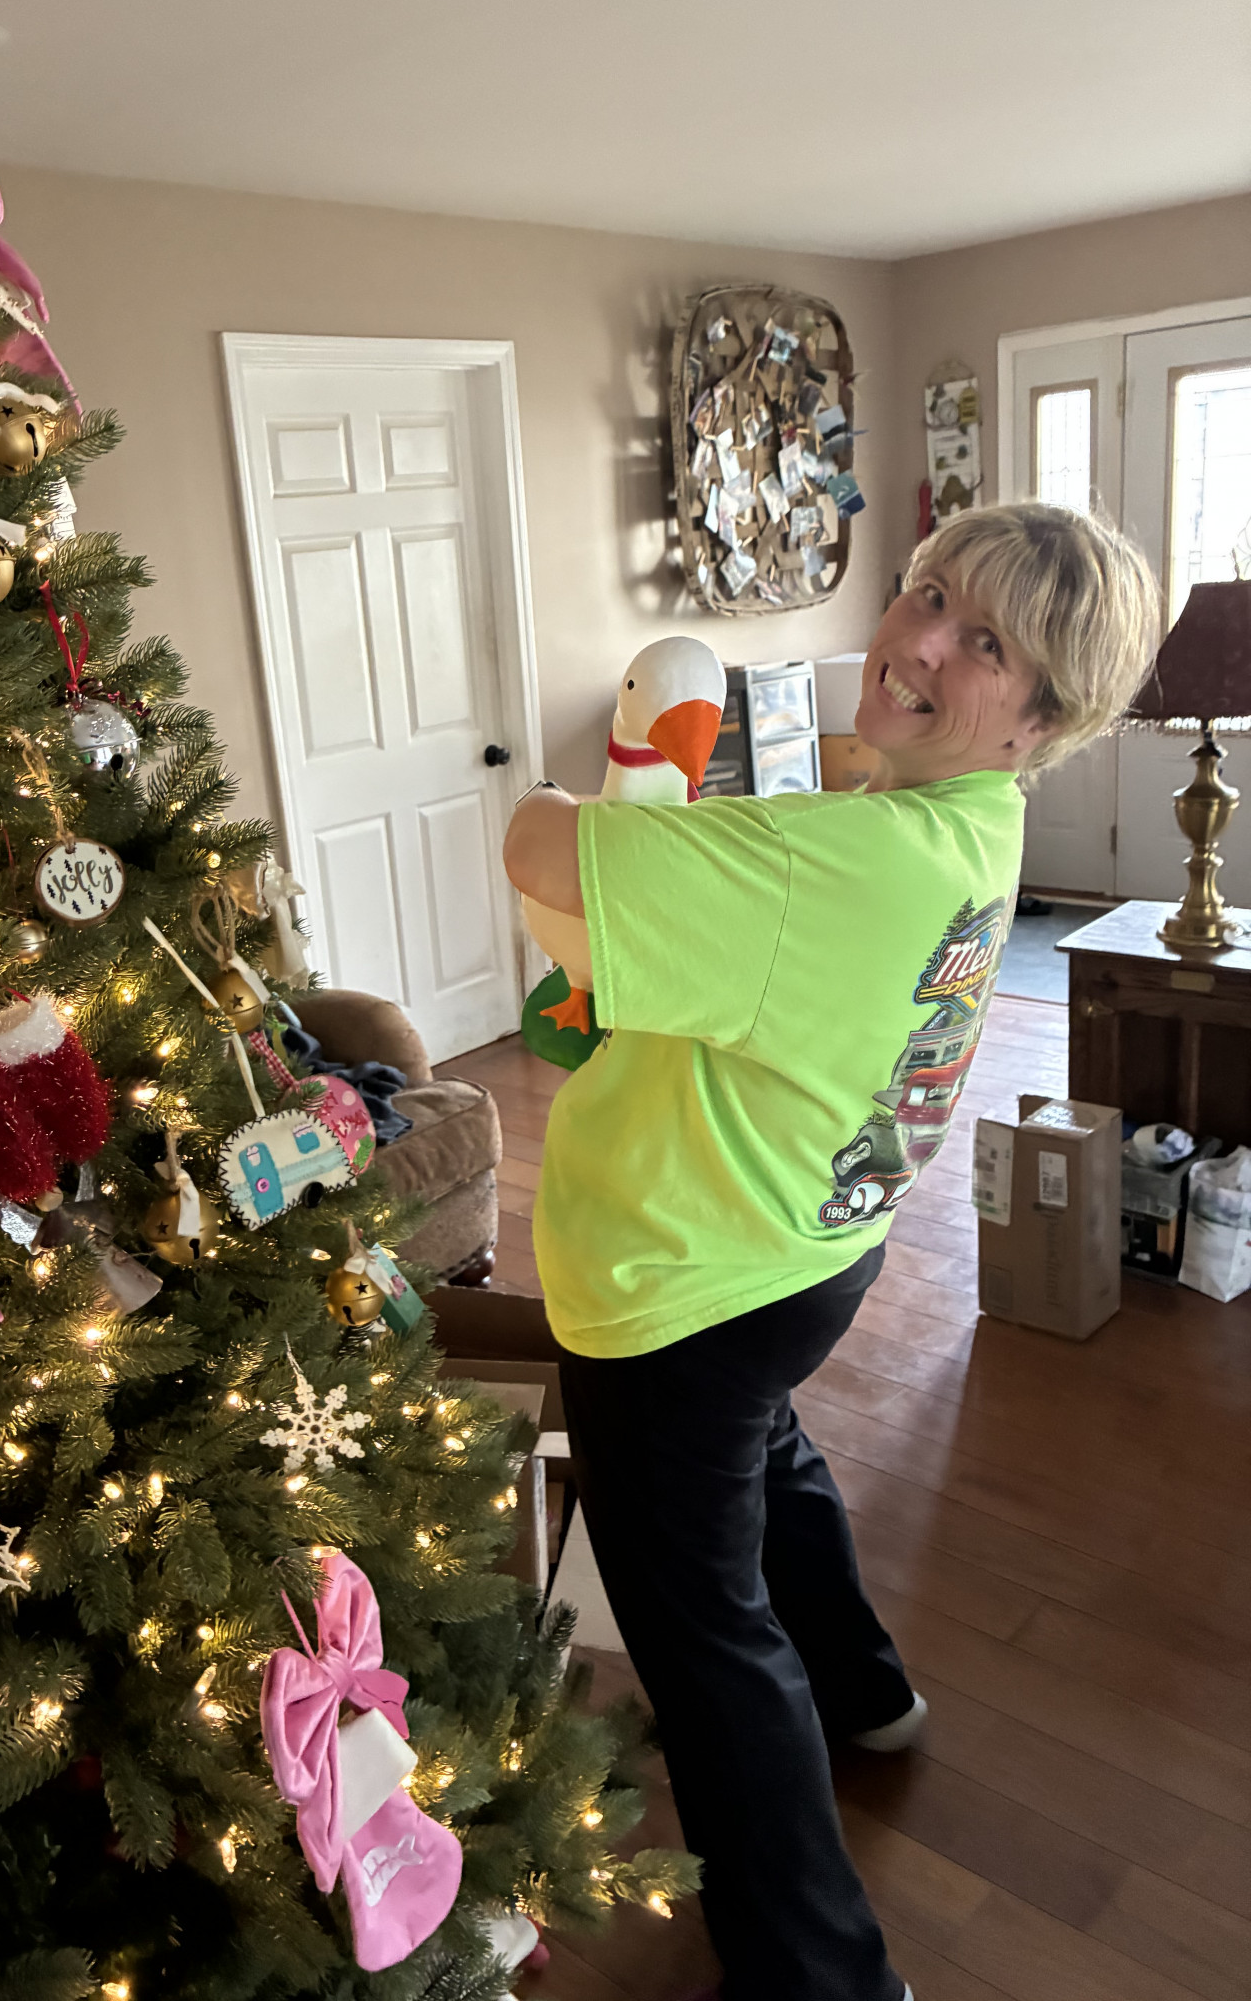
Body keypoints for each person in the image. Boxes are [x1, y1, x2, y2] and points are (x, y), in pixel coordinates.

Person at [502, 503, 1160, 2001]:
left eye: (983, 640)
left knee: (704, 1639)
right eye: (926, 591)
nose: (916, 640)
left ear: (1043, 716)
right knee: (772, 1452)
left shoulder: (829, 858)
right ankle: (866, 1689)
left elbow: (544, 850)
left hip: (676, 1292)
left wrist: (566, 787)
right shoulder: (971, 827)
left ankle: (823, 1976)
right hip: (812, 1242)